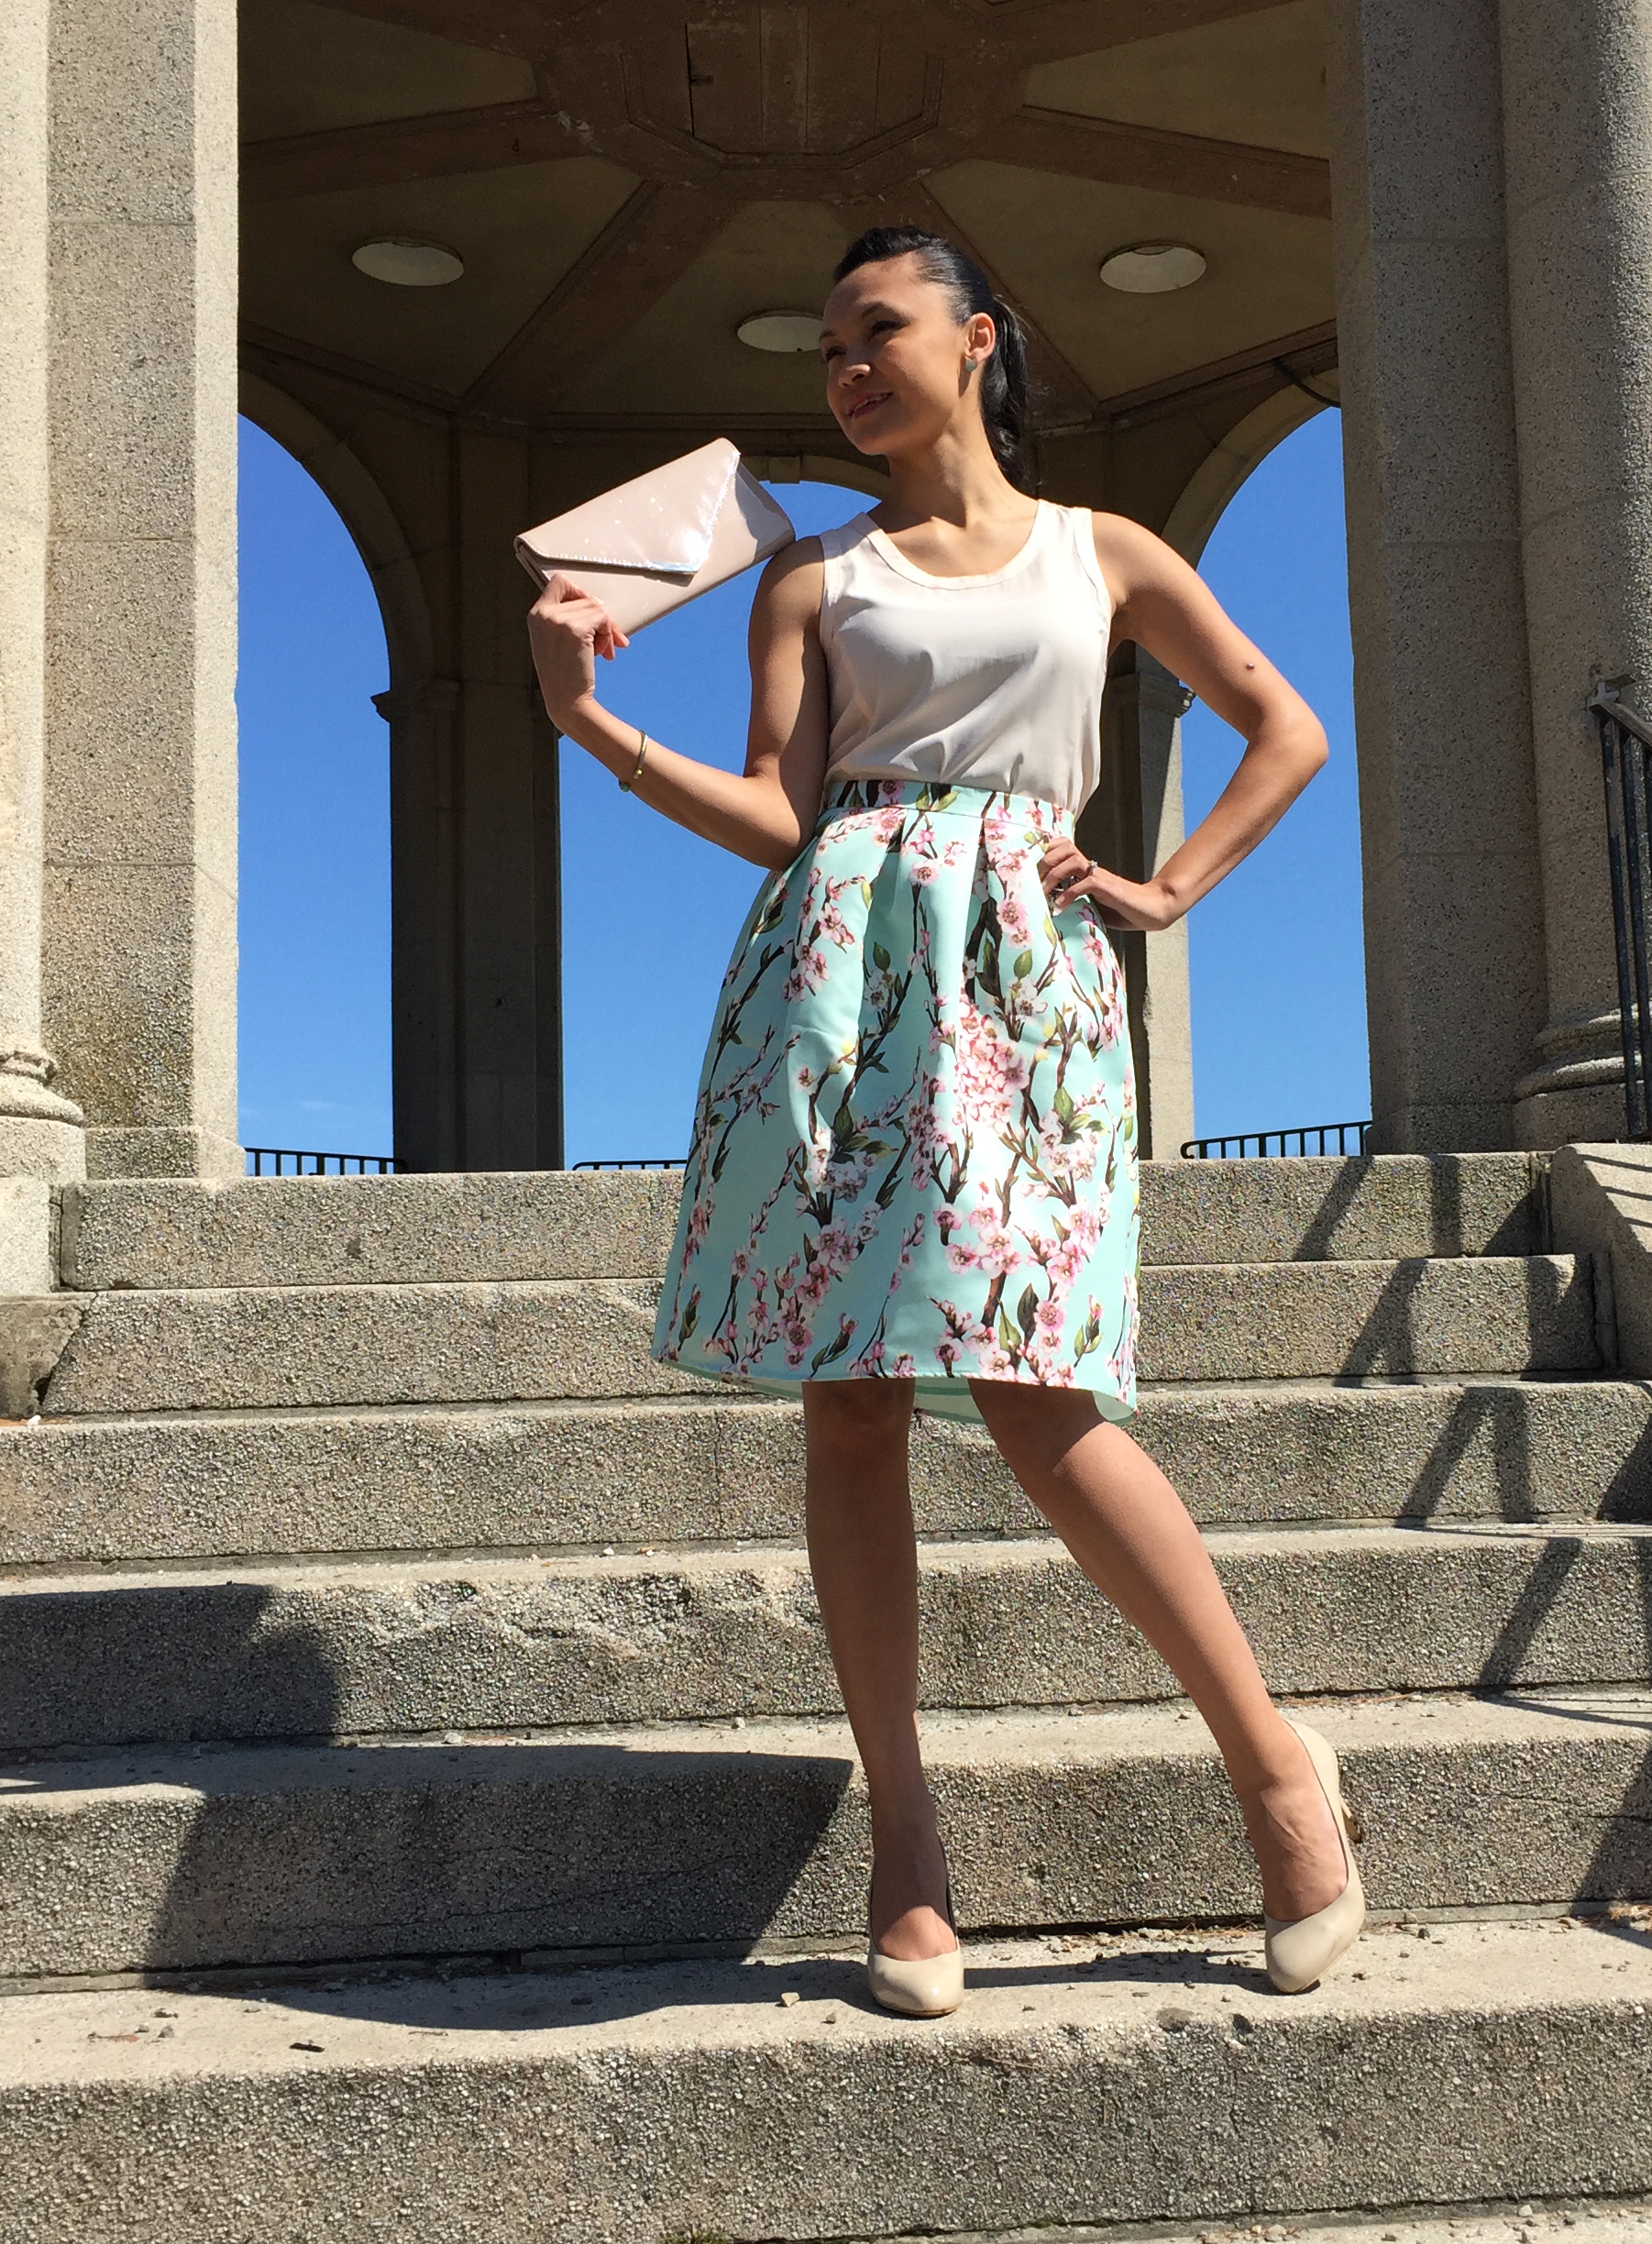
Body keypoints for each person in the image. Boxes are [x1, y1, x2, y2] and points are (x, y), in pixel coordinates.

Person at [525, 226, 1362, 2018]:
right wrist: (590, 722)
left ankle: (1276, 1770)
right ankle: (904, 1834)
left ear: (978, 339)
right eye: (827, 346)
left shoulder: (1102, 551)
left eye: (877, 330)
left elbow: (1283, 727)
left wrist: (1166, 889)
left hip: (1024, 982)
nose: (845, 366)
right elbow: (781, 812)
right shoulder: (811, 576)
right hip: (837, 980)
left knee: (1042, 1397)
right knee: (850, 1402)